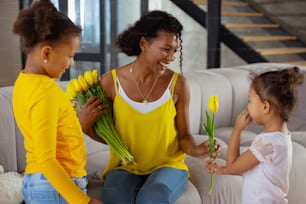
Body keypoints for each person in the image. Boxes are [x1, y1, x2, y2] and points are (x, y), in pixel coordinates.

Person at [80, 10, 220, 204]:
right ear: (144, 43)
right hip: (124, 166)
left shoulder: (178, 84)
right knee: (116, 198)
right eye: (165, 49)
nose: (171, 57)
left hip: (168, 165)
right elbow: (109, 136)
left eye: (175, 50)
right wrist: (85, 126)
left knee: (154, 196)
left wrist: (196, 150)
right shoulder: (110, 83)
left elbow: (184, 136)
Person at [12, 0, 103, 203]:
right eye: (69, 56)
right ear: (46, 53)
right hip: (54, 187)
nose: (71, 63)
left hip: (42, 183)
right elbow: (46, 159)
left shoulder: (23, 82)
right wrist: (84, 201)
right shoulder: (46, 91)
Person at [206, 67, 304, 204]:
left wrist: (237, 130)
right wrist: (221, 170)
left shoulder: (266, 143)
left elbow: (233, 166)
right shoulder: (282, 137)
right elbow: (256, 171)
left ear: (265, 107)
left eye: (250, 101)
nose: (248, 107)